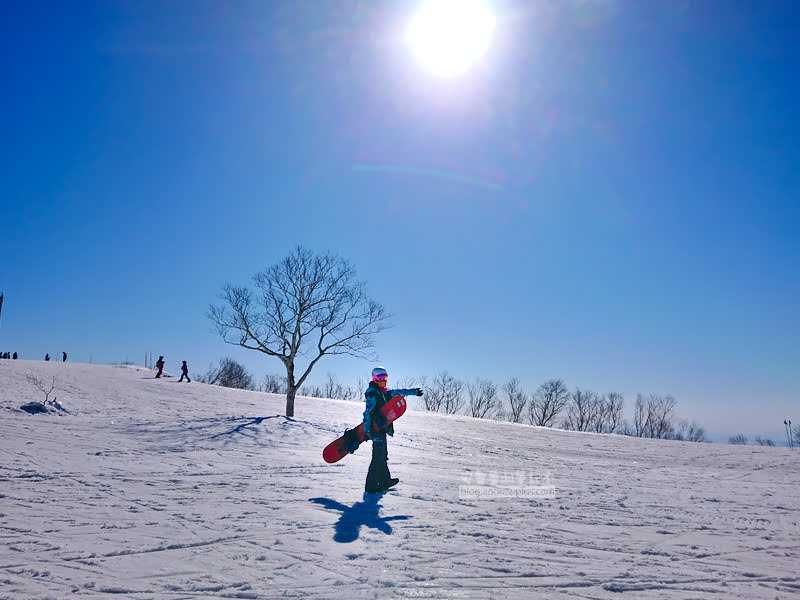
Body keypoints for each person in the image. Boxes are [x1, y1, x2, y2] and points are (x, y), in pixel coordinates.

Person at [362, 366, 423, 494]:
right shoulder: (372, 393)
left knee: (383, 456)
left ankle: (385, 481)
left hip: (382, 428)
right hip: (376, 429)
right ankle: (371, 486)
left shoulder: (383, 393)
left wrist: (413, 392)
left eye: (385, 378)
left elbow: (399, 392)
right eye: (380, 379)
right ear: (374, 379)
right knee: (377, 457)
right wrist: (371, 426)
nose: (383, 381)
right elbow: (368, 412)